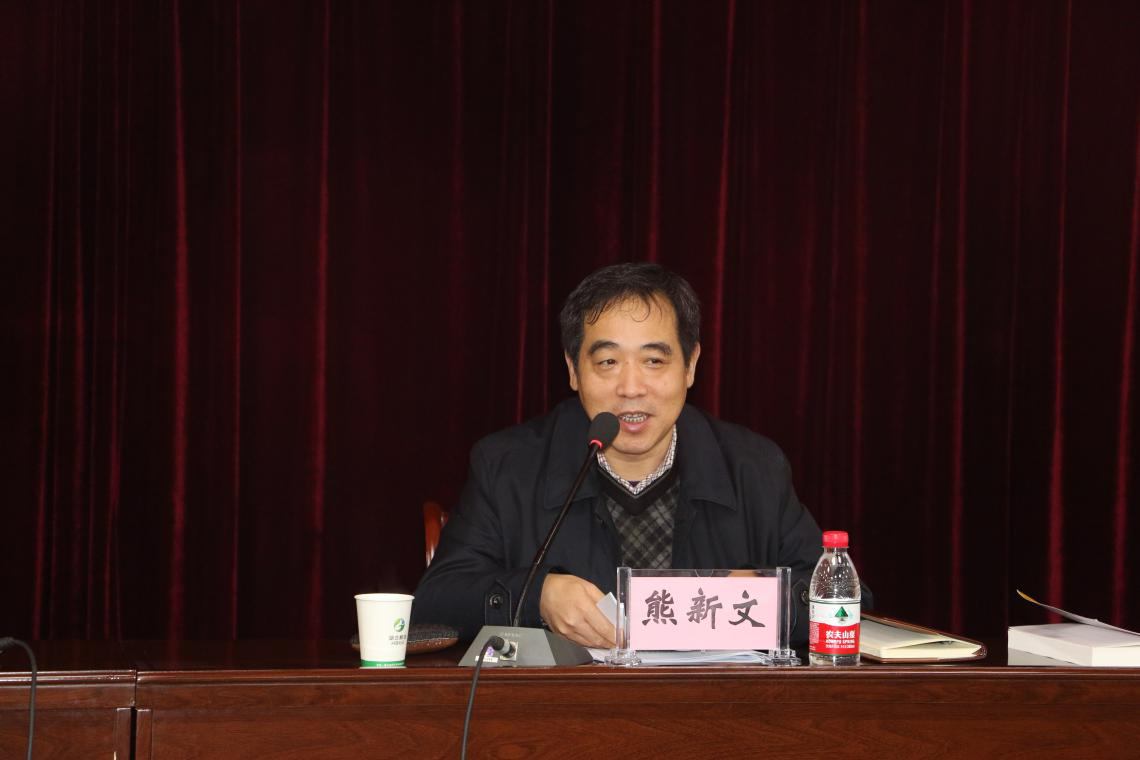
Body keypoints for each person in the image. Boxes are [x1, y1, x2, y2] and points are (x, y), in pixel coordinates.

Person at [413, 262, 843, 648]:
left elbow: (841, 597)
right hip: (565, 708)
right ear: (573, 370)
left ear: (691, 365)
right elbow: (436, 599)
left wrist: (767, 596)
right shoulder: (507, 466)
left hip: (714, 705)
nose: (631, 388)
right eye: (608, 362)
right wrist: (537, 595)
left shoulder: (753, 467)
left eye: (654, 361)